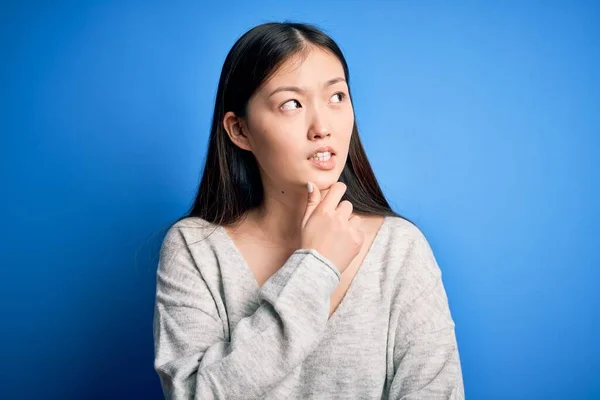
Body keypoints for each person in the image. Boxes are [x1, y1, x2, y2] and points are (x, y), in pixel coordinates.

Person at [152, 21, 464, 399]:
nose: (322, 127)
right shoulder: (195, 249)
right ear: (240, 131)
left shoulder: (400, 249)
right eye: (292, 104)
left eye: (336, 97)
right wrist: (315, 265)